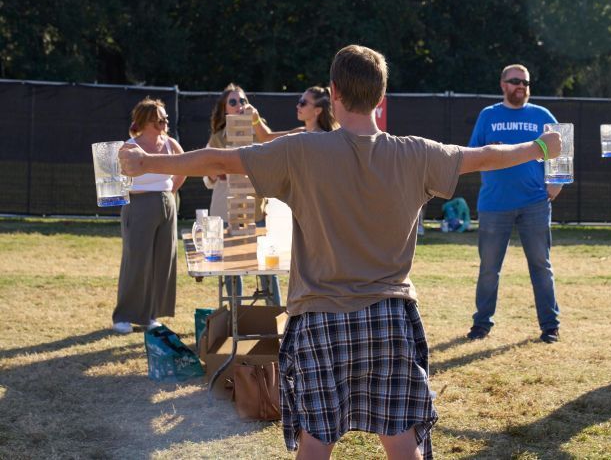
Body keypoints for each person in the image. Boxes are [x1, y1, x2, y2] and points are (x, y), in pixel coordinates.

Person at [119, 44, 561, 460]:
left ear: (333, 94)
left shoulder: (300, 150)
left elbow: (219, 161)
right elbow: (485, 155)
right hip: (390, 318)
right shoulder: (416, 153)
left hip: (318, 318)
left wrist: (147, 163)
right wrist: (540, 148)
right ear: (380, 94)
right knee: (404, 441)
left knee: (315, 444)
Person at [466, 64, 562, 343]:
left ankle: (550, 326)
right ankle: (481, 325)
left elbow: (563, 146)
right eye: (515, 81)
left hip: (535, 203)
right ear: (503, 84)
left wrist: (557, 181)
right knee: (488, 269)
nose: (521, 85)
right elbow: (473, 153)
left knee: (541, 267)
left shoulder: (542, 115)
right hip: (494, 204)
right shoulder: (488, 115)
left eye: (525, 82)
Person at [203, 84, 300, 299]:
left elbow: (273, 159)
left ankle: (273, 312)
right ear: (224, 108)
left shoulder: (259, 131)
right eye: (234, 102)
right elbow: (207, 173)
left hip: (257, 210)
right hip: (228, 211)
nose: (240, 106)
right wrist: (214, 174)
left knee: (267, 265)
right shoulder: (219, 137)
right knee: (232, 267)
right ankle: (235, 312)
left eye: (243, 101)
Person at [112, 98, 185, 334]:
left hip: (166, 204)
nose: (164, 123)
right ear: (144, 121)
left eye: (165, 118)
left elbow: (185, 168)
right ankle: (123, 316)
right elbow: (112, 181)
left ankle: (150, 315)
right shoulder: (129, 146)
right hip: (139, 205)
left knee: (163, 261)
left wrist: (169, 192)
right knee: (136, 261)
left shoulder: (170, 143)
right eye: (159, 119)